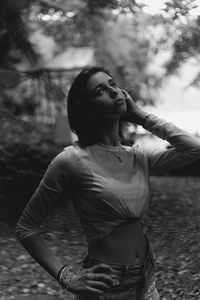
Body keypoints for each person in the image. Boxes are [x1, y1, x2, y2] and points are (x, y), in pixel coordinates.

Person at [15, 66, 200, 300]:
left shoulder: (137, 156)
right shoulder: (71, 160)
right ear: (87, 109)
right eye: (100, 90)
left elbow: (194, 149)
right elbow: (26, 227)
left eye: (113, 84)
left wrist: (141, 116)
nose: (114, 92)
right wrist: (67, 277)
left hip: (146, 278)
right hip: (105, 284)